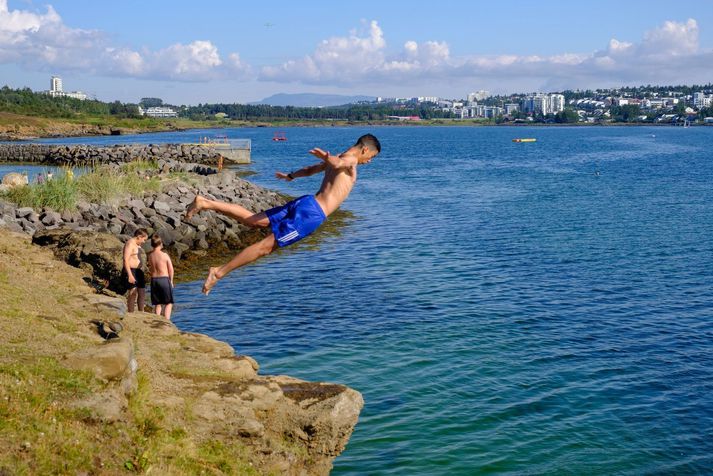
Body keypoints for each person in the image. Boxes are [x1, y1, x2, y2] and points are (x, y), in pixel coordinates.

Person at [185, 133, 381, 295]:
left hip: (306, 202)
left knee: (255, 221)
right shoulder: (350, 160)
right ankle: (218, 273)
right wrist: (326, 157)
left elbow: (312, 169)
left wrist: (291, 175)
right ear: (364, 149)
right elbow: (339, 164)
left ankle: (205, 202)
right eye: (372, 156)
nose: (370, 161)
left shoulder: (341, 157)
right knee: (265, 248)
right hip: (311, 215)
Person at [147, 234, 175, 320]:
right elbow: (171, 269)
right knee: (168, 303)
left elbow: (150, 268)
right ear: (160, 244)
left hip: (154, 280)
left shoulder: (150, 256)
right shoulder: (164, 255)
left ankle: (158, 320)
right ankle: (167, 321)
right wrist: (171, 281)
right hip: (163, 279)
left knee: (157, 303)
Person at [122, 228, 148, 312]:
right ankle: (131, 311)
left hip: (138, 271)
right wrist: (130, 275)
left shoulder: (137, 245)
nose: (144, 242)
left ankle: (141, 312)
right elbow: (125, 259)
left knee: (142, 292)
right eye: (144, 239)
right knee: (133, 292)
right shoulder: (130, 244)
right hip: (131, 270)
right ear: (139, 237)